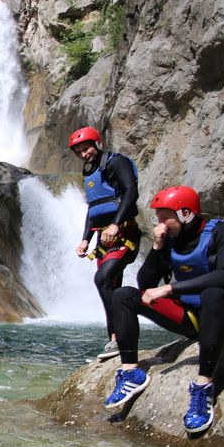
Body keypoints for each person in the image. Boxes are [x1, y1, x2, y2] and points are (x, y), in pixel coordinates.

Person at [103, 186, 224, 433]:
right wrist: (157, 247)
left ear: (187, 214)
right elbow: (145, 286)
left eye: (165, 216)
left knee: (213, 294)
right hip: (195, 319)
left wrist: (170, 289)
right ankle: (130, 372)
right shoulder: (169, 241)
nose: (160, 223)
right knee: (124, 295)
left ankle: (203, 386)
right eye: (157, 216)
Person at [69, 126, 141, 361]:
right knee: (108, 284)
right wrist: (85, 240)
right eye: (78, 151)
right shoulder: (89, 172)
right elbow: (94, 209)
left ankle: (122, 336)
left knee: (103, 279)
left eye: (86, 148)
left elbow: (131, 192)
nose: (83, 154)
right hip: (103, 238)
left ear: (97, 143)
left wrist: (116, 224)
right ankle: (114, 339)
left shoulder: (116, 162)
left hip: (123, 233)